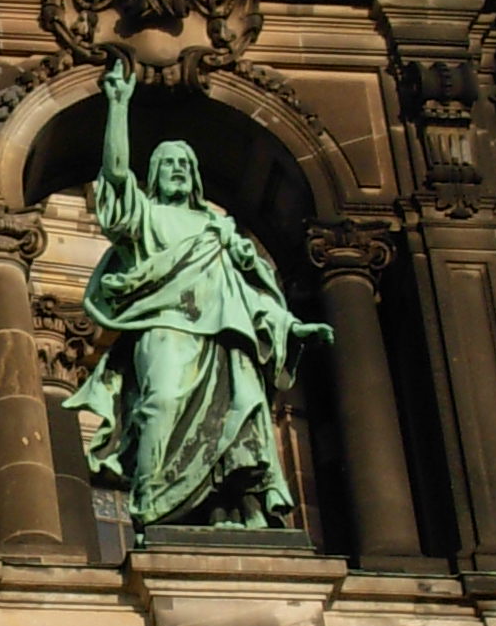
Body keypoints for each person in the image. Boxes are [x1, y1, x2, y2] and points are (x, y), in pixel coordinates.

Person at [67, 58, 330, 528]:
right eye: (167, 164)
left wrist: (291, 325)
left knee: (233, 421)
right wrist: (118, 109)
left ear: (194, 176)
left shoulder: (219, 228)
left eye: (183, 164)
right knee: (161, 403)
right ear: (154, 174)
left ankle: (226, 511)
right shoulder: (147, 218)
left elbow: (251, 293)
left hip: (225, 339)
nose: (176, 170)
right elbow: (117, 177)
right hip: (166, 327)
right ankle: (153, 508)